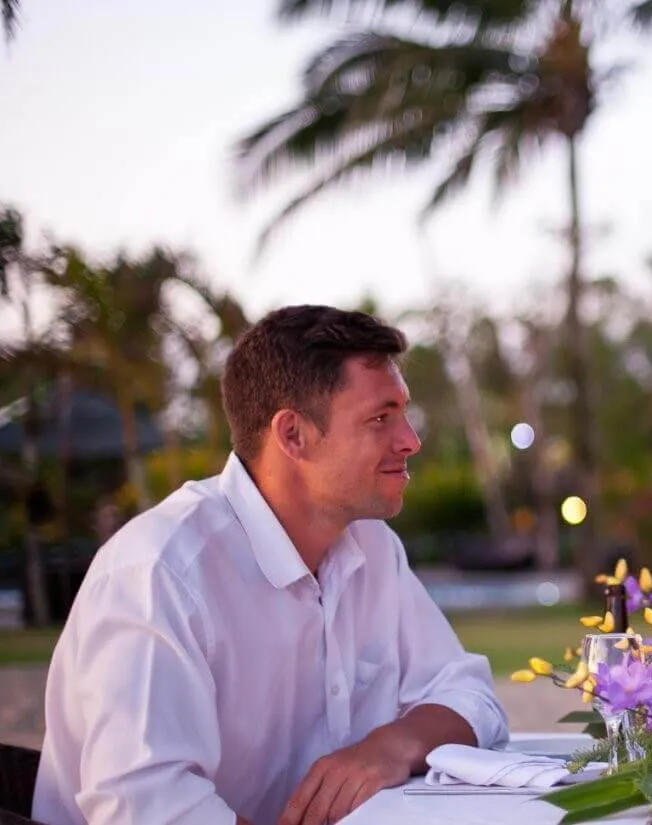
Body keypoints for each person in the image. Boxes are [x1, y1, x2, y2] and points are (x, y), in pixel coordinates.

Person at [34, 306, 510, 825]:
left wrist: (393, 744)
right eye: (381, 417)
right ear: (293, 435)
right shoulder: (160, 572)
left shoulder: (372, 548)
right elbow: (146, 804)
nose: (411, 441)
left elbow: (470, 695)